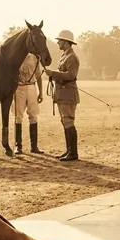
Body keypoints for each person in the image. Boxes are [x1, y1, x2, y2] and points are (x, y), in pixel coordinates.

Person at [44, 30, 80, 162]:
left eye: (60, 40)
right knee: (65, 122)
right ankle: (69, 150)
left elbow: (71, 75)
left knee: (69, 121)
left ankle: (73, 153)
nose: (58, 42)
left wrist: (53, 73)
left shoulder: (72, 57)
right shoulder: (65, 56)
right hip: (62, 94)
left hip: (68, 94)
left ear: (66, 42)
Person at [13, 53, 45, 155]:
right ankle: (18, 145)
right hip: (19, 87)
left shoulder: (35, 57)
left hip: (32, 87)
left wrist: (41, 92)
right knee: (18, 116)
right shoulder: (16, 56)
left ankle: (34, 146)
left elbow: (38, 75)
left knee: (33, 115)